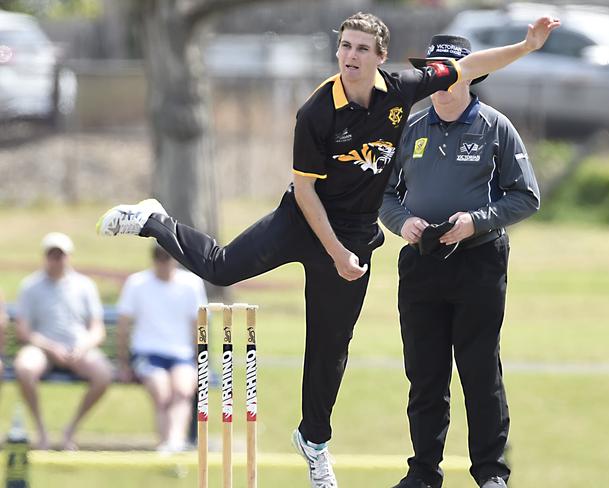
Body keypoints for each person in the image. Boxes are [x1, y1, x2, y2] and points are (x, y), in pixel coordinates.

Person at [96, 12, 559, 487]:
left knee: (329, 348)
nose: (350, 57)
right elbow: (305, 192)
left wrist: (527, 45)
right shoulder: (316, 111)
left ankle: (314, 442)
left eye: (361, 49)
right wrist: (337, 253)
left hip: (357, 233)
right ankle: (155, 219)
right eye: (344, 47)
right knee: (221, 267)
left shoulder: (401, 90)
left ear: (381, 58)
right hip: (303, 221)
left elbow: (471, 65)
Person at [379, 35, 542, 488]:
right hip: (421, 263)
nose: (441, 81)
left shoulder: (495, 127)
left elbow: (526, 196)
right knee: (425, 374)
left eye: (450, 72)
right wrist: (403, 222)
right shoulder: (410, 128)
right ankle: (424, 473)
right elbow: (386, 195)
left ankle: (491, 472)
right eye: (432, 72)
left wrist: (475, 222)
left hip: (479, 260)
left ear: (471, 75)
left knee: (479, 370)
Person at [14, 232, 112, 450]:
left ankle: (70, 430)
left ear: (69, 256)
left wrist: (83, 346)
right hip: (42, 347)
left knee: (103, 374)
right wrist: (50, 347)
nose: (57, 260)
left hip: (78, 348)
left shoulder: (85, 285)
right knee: (24, 368)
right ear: (45, 256)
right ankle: (41, 431)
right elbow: (24, 330)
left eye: (61, 255)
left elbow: (98, 329)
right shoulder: (30, 286)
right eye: (52, 255)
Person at [116, 244, 207, 453]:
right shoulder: (137, 283)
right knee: (162, 392)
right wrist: (123, 363)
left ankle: (173, 443)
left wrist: (199, 358)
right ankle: (166, 444)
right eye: (159, 257)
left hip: (181, 355)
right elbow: (123, 326)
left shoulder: (191, 284)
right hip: (147, 353)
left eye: (167, 257)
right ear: (153, 260)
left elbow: (199, 325)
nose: (164, 263)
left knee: (183, 390)